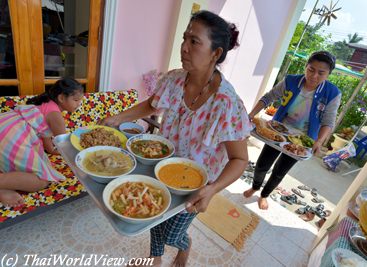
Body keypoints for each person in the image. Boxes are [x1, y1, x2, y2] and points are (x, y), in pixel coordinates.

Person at [101, 10, 252, 267]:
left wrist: (212, 190)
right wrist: (117, 118)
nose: (184, 48)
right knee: (152, 215)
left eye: (194, 42)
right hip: (161, 167)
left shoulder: (228, 103)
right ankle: (154, 258)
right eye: (185, 39)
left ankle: (185, 246)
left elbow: (239, 159)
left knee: (173, 232)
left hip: (196, 185)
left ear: (215, 53)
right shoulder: (173, 80)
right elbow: (152, 104)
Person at [243, 51, 341, 210]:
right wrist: (250, 115)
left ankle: (264, 195)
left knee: (279, 172)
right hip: (278, 131)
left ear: (328, 74)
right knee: (262, 164)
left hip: (303, 140)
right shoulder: (291, 81)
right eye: (311, 69)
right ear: (306, 67)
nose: (314, 75)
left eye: (321, 72)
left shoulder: (332, 93)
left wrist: (319, 141)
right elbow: (269, 97)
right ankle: (255, 187)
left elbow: (328, 121)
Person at [0, 77, 84, 207]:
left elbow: (50, 148)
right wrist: (83, 154)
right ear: (61, 98)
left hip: (5, 126)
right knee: (42, 181)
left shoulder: (45, 104)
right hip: (12, 136)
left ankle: (4, 187)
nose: (79, 104)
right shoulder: (56, 116)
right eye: (76, 100)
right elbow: (65, 147)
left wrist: (55, 153)